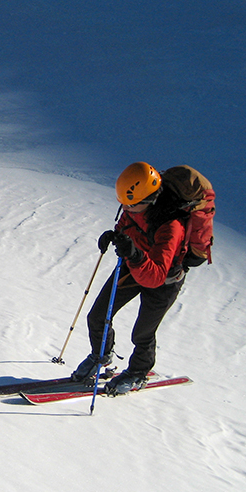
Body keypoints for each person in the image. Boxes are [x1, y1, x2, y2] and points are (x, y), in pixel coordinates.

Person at [70, 162, 189, 395]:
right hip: (132, 265)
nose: (126, 208)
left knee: (142, 333)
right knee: (98, 316)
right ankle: (101, 355)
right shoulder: (135, 205)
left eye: (131, 205)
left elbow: (155, 276)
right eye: (123, 204)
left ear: (149, 199)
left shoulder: (171, 226)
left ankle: (138, 372)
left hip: (163, 281)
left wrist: (134, 254)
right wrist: (115, 235)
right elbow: (127, 223)